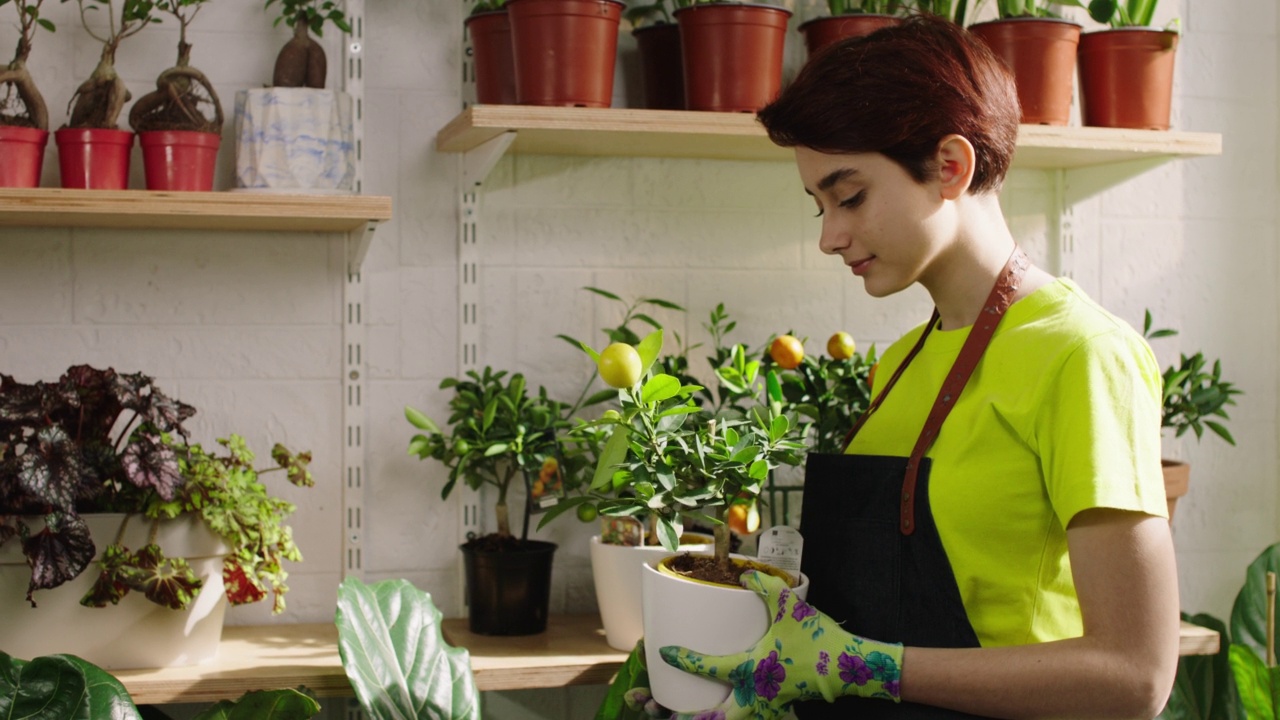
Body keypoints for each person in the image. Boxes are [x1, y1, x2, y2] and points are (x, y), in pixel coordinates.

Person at [641, 14, 1180, 720]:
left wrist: (868, 668)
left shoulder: (1080, 355)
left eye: (851, 195)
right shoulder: (898, 364)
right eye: (819, 205)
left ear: (951, 167)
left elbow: (1134, 677)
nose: (831, 236)